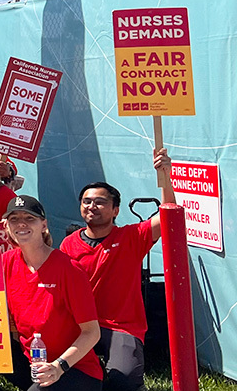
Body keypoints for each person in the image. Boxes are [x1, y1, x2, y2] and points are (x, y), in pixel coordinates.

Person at [59, 149, 173, 391]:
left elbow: (168, 213)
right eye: (87, 201)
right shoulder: (68, 244)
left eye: (100, 202)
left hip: (121, 325)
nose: (92, 206)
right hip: (81, 325)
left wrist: (166, 175)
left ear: (115, 210)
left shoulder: (132, 237)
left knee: (123, 380)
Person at [0, 195, 103, 390]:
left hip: (73, 367)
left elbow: (92, 332)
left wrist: (58, 366)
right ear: (6, 226)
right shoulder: (5, 262)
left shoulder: (69, 269)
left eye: (29, 218)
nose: (21, 224)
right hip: (32, 363)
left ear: (44, 224)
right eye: (14, 219)